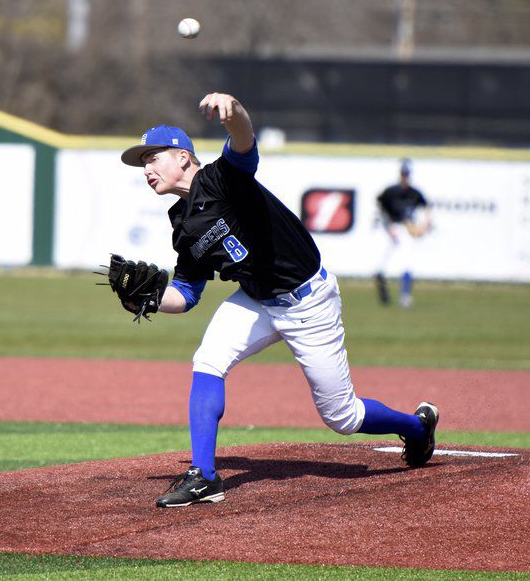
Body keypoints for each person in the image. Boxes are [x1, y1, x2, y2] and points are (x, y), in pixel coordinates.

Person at [119, 92, 439, 508]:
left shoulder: (221, 179)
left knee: (342, 418)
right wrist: (147, 298)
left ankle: (417, 428)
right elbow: (186, 293)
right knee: (208, 361)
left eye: (152, 157)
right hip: (256, 300)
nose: (146, 169)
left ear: (182, 157)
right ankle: (204, 476)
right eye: (142, 163)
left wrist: (233, 110)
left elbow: (244, 140)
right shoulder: (181, 225)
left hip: (308, 301)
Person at [374, 159, 431, 307]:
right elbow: (380, 207)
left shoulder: (414, 193)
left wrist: (424, 226)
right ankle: (384, 286)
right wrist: (388, 226)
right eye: (403, 174)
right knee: (385, 263)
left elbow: (426, 208)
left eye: (407, 174)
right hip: (392, 228)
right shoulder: (391, 192)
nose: (405, 177)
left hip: (407, 230)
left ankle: (405, 296)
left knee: (407, 262)